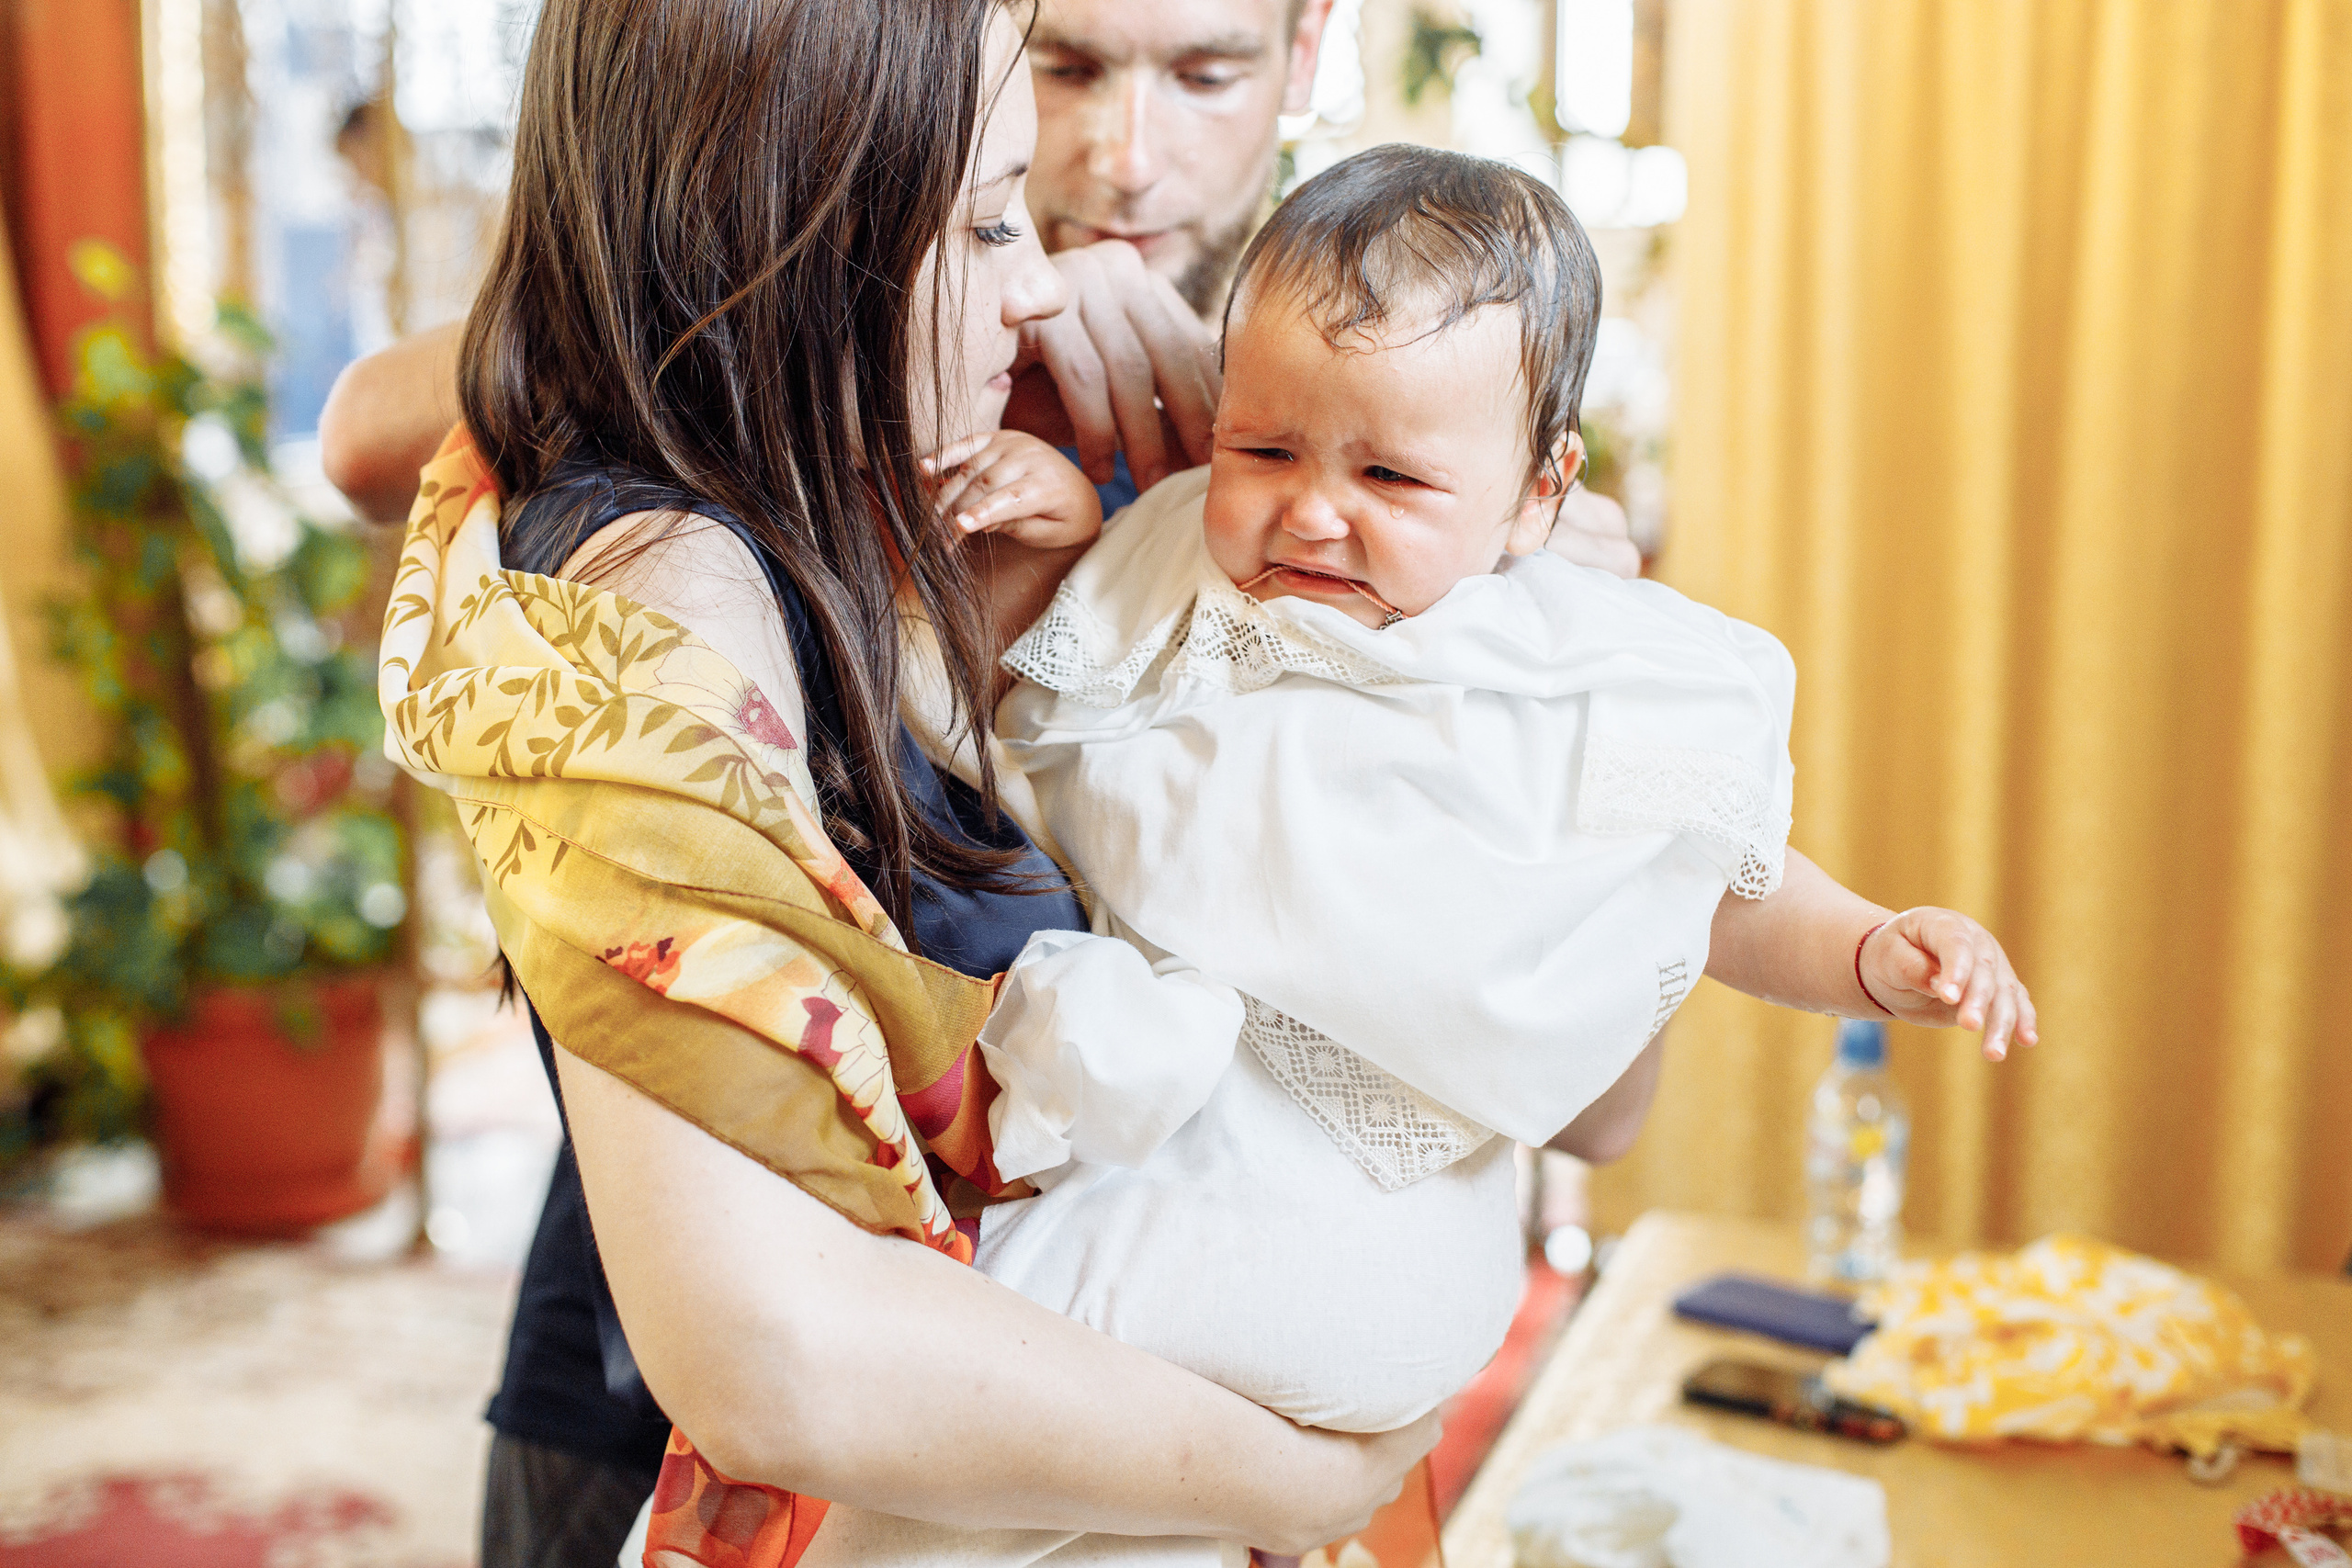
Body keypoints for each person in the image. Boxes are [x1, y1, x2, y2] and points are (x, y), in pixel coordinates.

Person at [773, 142, 2036, 1568]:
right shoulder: (1179, 567)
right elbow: (1003, 715)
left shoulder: (1574, 663)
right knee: (1036, 1468)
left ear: (1539, 494)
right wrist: (1047, 534)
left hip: (1368, 1221)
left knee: (955, 1403)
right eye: (1264, 451)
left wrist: (1870, 945)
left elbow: (1711, 878)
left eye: (1388, 473)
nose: (1313, 510)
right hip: (1165, 1152)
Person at [379, 4, 1453, 1565]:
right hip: (806, 1439)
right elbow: (775, 1354)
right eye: (989, 216)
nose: (1046, 271)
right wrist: (1296, 1479)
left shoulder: (847, 482)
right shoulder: (668, 587)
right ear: (790, 218)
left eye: (1203, 73)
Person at [316, 0, 1639, 574]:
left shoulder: (1422, 346)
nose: (1127, 161)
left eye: (1204, 76)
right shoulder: (826, 263)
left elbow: (1600, 1119)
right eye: (1066, 69)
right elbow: (365, 441)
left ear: (1303, 54)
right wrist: (842, 303)